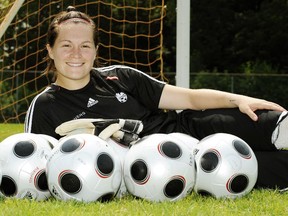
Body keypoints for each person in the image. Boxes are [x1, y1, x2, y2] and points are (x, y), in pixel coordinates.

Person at [25, 6, 288, 190]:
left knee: (252, 119)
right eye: (66, 45)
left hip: (185, 128)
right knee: (246, 165)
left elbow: (191, 99)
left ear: (96, 50)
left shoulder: (121, 76)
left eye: (85, 46)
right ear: (50, 50)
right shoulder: (46, 106)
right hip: (162, 165)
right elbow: (37, 166)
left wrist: (238, 99)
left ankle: (278, 128)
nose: (76, 54)